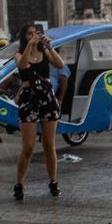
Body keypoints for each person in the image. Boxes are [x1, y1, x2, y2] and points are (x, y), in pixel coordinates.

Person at [12, 23, 65, 199]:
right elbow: (22, 65)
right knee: (28, 147)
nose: (33, 36)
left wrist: (49, 46)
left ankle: (53, 182)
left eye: (36, 33)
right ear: (24, 37)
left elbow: (59, 64)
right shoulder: (20, 53)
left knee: (49, 145)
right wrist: (30, 45)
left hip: (47, 99)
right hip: (29, 100)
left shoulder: (45, 53)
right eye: (29, 34)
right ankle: (19, 183)